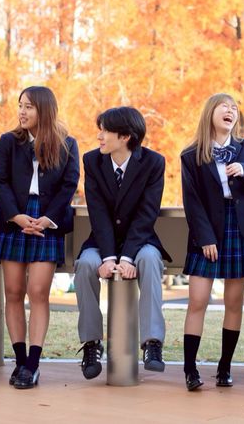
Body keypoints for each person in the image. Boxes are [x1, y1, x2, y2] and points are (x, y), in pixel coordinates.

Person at [179, 93, 244, 391]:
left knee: (234, 302)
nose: (231, 111)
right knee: (197, 301)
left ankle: (224, 367)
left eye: (234, 108)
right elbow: (192, 201)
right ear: (211, 112)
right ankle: (190, 370)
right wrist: (205, 238)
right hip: (206, 229)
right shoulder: (191, 154)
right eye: (225, 106)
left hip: (241, 228)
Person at [0, 86, 79, 389]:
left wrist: (48, 219)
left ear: (44, 110)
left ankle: (33, 364)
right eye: (20, 105)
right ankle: (19, 361)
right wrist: (15, 216)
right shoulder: (8, 141)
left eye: (29, 106)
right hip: (13, 218)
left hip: (47, 221)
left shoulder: (67, 144)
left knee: (38, 291)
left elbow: (69, 184)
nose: (22, 112)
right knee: (13, 291)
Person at [74, 106, 171, 380]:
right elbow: (97, 212)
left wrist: (127, 257)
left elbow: (147, 214)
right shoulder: (92, 161)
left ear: (125, 136)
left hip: (140, 241)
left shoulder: (153, 163)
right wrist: (108, 257)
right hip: (102, 242)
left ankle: (152, 343)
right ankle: (91, 343)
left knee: (150, 260)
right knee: (85, 265)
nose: (99, 136)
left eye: (105, 131)